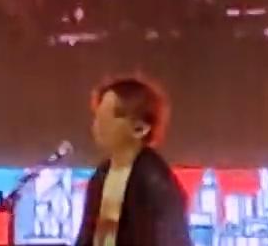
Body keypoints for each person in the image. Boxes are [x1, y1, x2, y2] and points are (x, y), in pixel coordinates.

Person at [75, 76, 192, 246]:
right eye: (98, 115)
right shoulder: (101, 176)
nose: (100, 123)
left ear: (140, 128)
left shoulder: (154, 181)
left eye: (113, 116)